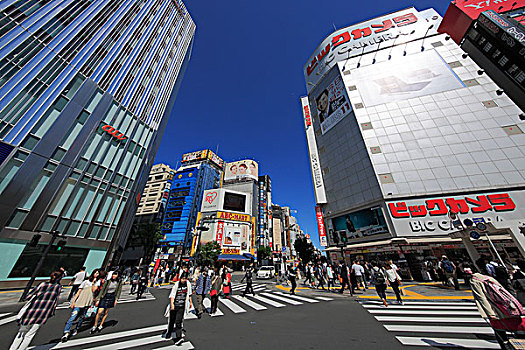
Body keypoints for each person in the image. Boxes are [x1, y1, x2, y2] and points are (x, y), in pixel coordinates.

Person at [470, 259, 525, 349]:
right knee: (517, 329)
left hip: (496, 309)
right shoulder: (489, 278)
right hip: (509, 306)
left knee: (500, 331)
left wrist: (489, 313)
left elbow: (481, 298)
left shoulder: (475, 280)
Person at [10, 271, 62, 350]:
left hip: (31, 312)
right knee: (29, 335)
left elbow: (29, 296)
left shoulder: (42, 284)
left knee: (21, 333)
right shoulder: (58, 287)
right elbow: (55, 302)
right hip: (43, 315)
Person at [62, 270, 99, 342]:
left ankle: (77, 328)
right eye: (96, 273)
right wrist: (73, 302)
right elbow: (78, 292)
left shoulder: (96, 283)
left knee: (82, 316)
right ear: (93, 273)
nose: (97, 274)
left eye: (98, 274)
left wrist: (94, 282)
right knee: (73, 317)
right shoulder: (85, 282)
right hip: (79, 302)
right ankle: (66, 332)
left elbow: (94, 290)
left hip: (88, 302)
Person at [164, 273, 192, 345]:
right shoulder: (177, 284)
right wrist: (172, 305)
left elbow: (189, 293)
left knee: (178, 322)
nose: (184, 280)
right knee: (171, 321)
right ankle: (169, 332)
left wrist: (190, 302)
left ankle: (178, 338)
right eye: (182, 278)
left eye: (185, 279)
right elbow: (172, 295)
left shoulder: (188, 284)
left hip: (182, 306)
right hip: (175, 305)